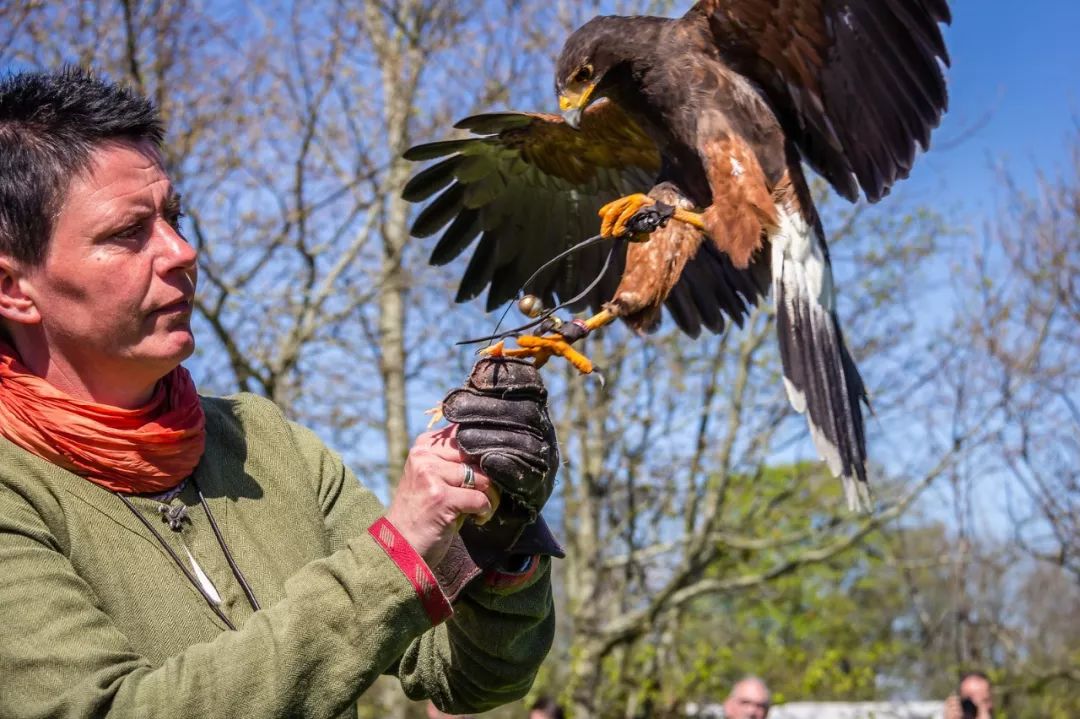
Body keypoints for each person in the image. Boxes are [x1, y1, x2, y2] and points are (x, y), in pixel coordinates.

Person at [0, 67, 562, 718]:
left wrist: (500, 529)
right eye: (129, 232)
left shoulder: (263, 440)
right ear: (14, 288)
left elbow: (467, 677)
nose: (181, 251)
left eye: (175, 218)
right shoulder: (14, 492)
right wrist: (394, 555)